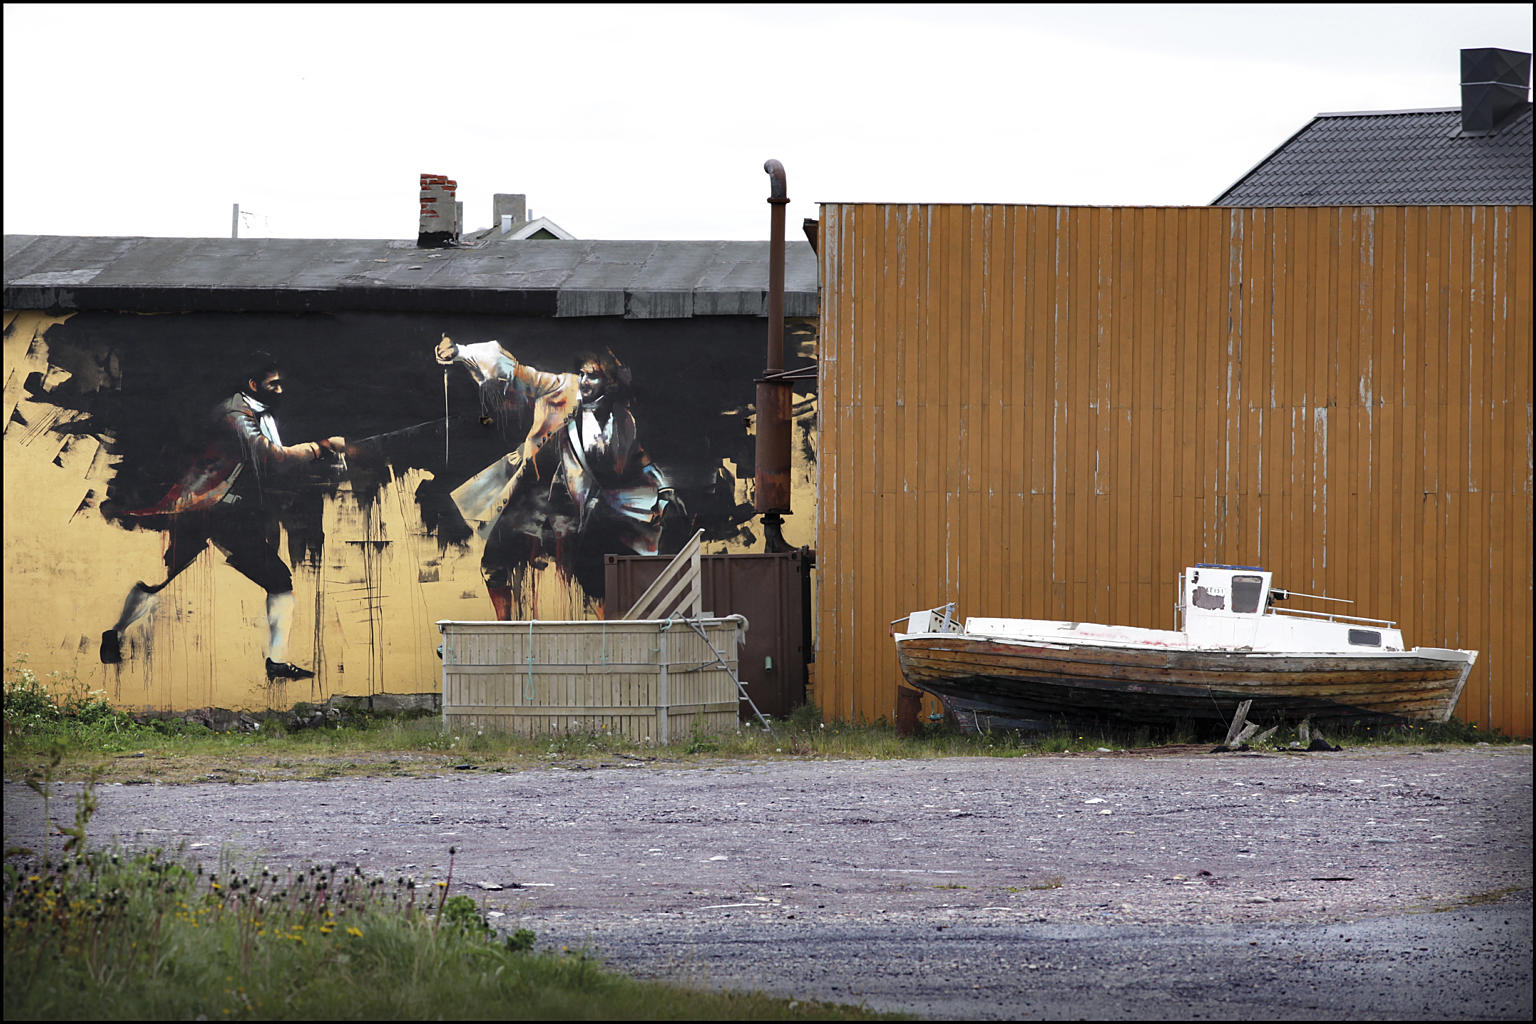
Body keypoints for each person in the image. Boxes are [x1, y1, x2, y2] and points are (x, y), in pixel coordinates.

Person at [99, 352, 346, 680]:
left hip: (229, 515)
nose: (281, 391)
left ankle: (277, 662)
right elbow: (271, 457)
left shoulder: (258, 412)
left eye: (281, 385)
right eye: (274, 386)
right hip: (200, 510)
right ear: (253, 385)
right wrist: (322, 447)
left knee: (278, 581)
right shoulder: (234, 414)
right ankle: (115, 634)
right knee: (158, 579)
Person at [435, 334, 676, 619]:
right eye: (583, 374)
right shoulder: (562, 388)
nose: (584, 381)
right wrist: (462, 352)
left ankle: (610, 633)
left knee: (591, 576)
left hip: (575, 507)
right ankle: (505, 626)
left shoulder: (622, 420)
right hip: (529, 496)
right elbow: (520, 372)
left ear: (609, 382)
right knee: (494, 563)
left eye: (593, 376)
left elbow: (639, 458)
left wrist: (664, 491)